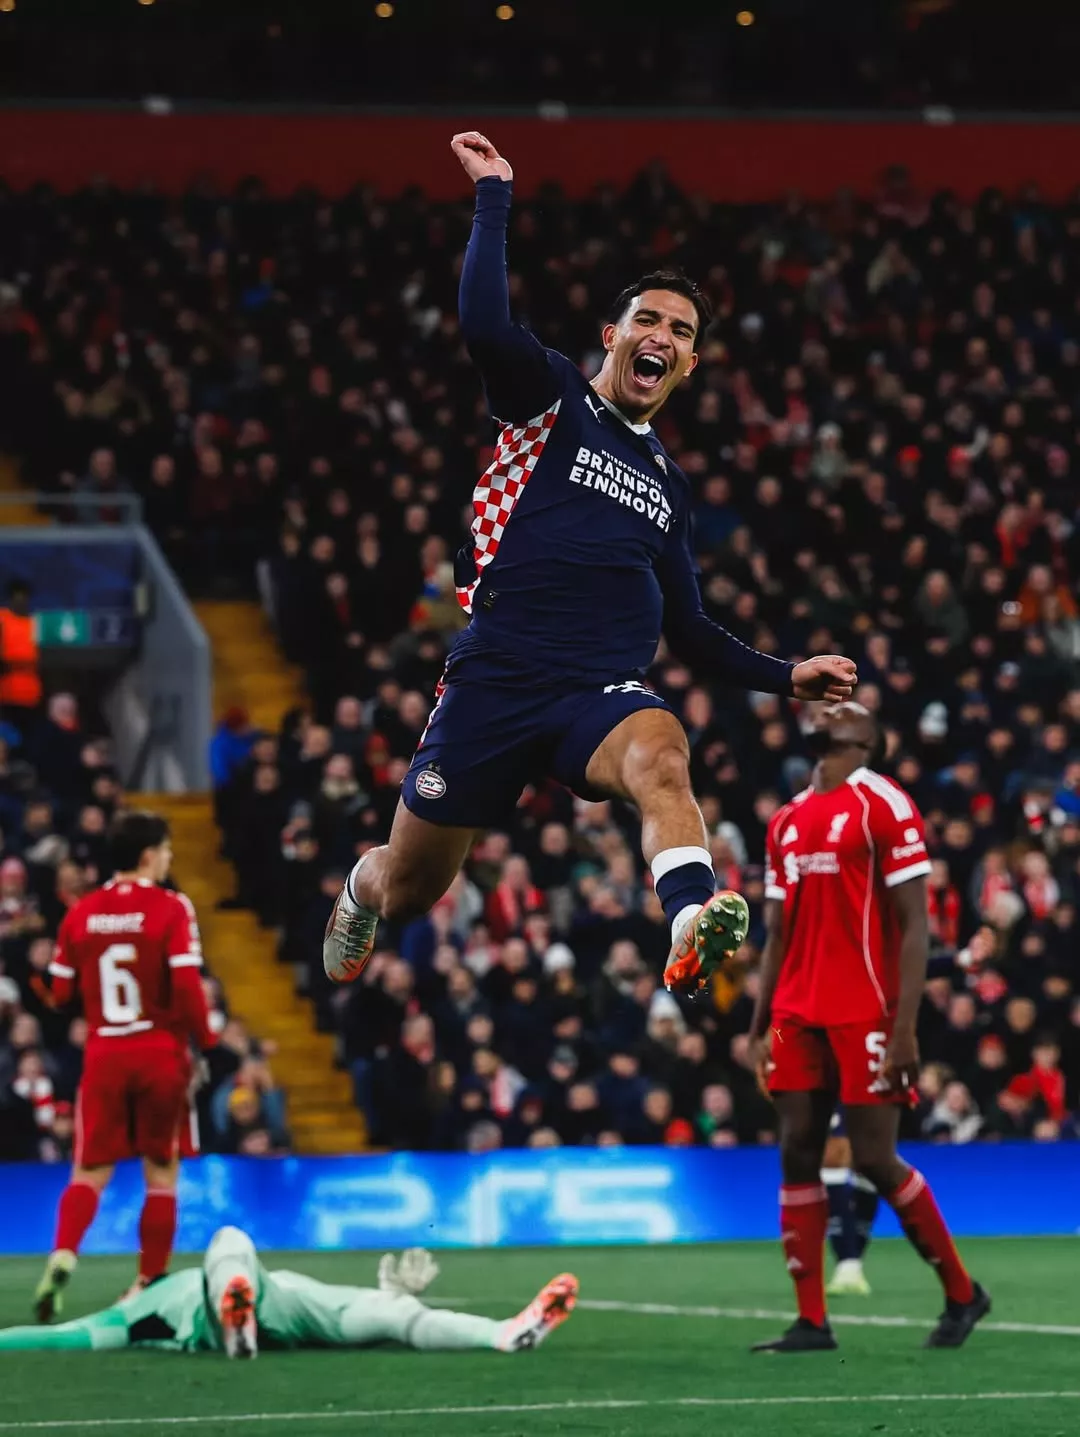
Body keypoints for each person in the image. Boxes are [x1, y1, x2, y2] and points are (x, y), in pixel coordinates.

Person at [324, 130, 856, 997]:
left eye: (680, 331)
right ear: (612, 335)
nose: (662, 335)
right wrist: (494, 195)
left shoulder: (668, 487)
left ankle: (690, 922)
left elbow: (688, 631)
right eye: (647, 319)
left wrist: (786, 674)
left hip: (595, 692)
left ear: (689, 362)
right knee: (413, 891)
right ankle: (360, 883)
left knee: (663, 752)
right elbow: (483, 322)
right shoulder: (551, 397)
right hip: (496, 677)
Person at [747, 702, 989, 1353]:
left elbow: (916, 924)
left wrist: (905, 1025)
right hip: (798, 1008)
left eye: (843, 708)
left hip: (867, 1007)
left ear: (865, 736)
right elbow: (776, 932)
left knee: (875, 1156)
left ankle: (964, 1292)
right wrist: (757, 1022)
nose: (827, 710)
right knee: (798, 1146)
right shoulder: (786, 821)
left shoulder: (883, 803)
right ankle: (811, 1320)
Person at [33, 810, 216, 1322]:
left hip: (106, 1054)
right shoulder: (171, 907)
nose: (170, 858)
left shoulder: (81, 914)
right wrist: (209, 1038)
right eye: (166, 850)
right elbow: (184, 986)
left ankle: (65, 1253)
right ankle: (148, 1281)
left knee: (89, 1169)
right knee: (161, 1171)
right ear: (147, 855)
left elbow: (62, 993)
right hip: (159, 1054)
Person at [4, 1228, 577, 1359]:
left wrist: (388, 1291)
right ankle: (236, 1324)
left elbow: (68, 1336)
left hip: (280, 1303)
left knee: (393, 1311)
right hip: (248, 1309)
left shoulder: (140, 1306)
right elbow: (67, 1338)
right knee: (229, 1238)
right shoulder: (141, 1308)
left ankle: (505, 1333)